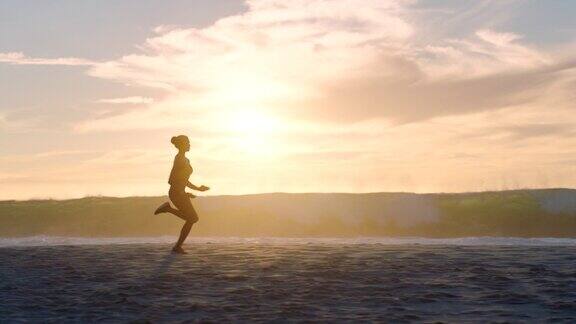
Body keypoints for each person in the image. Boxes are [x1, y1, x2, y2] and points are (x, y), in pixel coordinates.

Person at [154, 135, 209, 254]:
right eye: (188, 143)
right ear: (182, 145)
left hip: (180, 192)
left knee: (191, 218)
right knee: (193, 218)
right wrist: (181, 191)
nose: (189, 145)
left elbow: (184, 180)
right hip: (176, 192)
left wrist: (197, 189)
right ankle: (177, 246)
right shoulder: (179, 159)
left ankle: (177, 246)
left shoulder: (185, 160)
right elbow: (172, 179)